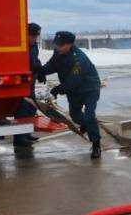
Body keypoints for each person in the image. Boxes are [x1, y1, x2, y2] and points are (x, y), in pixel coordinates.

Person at [41, 31, 103, 159]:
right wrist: (40, 71)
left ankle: (96, 144)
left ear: (69, 45)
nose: (57, 47)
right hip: (74, 91)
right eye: (56, 44)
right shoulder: (58, 52)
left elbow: (73, 81)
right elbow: (52, 65)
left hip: (89, 88)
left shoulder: (78, 59)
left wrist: (57, 90)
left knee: (89, 115)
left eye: (60, 45)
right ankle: (86, 125)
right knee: (75, 115)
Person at [12, 22, 46, 152]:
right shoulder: (21, 46)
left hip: (31, 81)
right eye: (32, 36)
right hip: (22, 81)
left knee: (32, 107)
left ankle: (26, 134)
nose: (34, 39)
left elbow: (35, 60)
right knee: (23, 109)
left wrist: (41, 72)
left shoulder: (33, 46)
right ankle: (19, 139)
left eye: (36, 36)